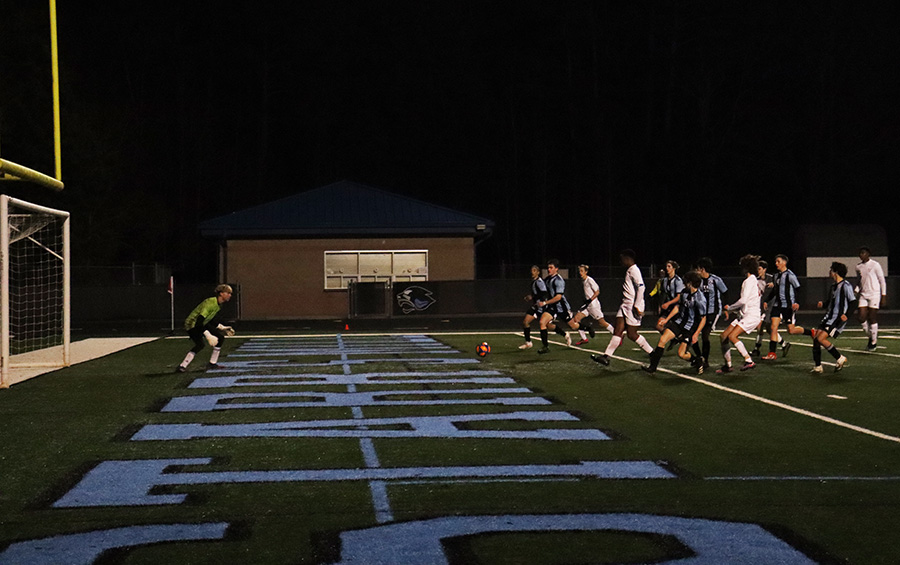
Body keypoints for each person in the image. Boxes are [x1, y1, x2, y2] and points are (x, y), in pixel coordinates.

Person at [591, 249, 654, 366]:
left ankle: (652, 353)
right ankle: (606, 356)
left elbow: (641, 287)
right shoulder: (630, 270)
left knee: (632, 334)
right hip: (625, 305)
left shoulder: (634, 270)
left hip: (632, 306)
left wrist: (637, 305)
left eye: (622, 259)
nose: (621, 262)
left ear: (627, 258)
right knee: (618, 330)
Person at [641, 270, 707, 373]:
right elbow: (677, 307)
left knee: (681, 354)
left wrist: (696, 333)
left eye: (686, 282)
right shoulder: (684, 293)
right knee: (662, 340)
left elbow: (703, 318)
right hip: (678, 322)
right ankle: (652, 367)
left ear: (690, 283)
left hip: (689, 328)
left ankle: (697, 360)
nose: (684, 284)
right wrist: (666, 320)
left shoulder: (700, 299)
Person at [715, 255, 761, 373]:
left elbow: (743, 300)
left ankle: (749, 361)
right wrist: (734, 310)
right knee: (724, 336)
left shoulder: (749, 281)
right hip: (744, 314)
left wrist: (730, 308)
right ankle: (728, 365)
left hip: (751, 316)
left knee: (732, 336)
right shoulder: (753, 280)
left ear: (746, 268)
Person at [176, 284, 235, 372]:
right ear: (221, 294)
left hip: (202, 323)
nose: (230, 295)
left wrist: (222, 328)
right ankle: (182, 366)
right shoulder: (210, 303)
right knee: (200, 344)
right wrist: (208, 335)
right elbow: (199, 321)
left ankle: (212, 363)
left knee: (220, 338)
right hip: (192, 324)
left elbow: (210, 319)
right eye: (228, 293)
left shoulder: (218, 304)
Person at [808, 262, 855, 373]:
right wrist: (823, 304)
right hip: (828, 317)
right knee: (816, 339)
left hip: (837, 319)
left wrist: (847, 315)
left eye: (831, 270)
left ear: (836, 272)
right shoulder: (833, 286)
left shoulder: (846, 285)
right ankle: (818, 366)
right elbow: (830, 302)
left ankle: (839, 357)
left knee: (821, 338)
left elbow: (853, 302)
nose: (829, 272)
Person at [765, 254, 805, 360]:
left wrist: (797, 302)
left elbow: (799, 289)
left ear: (784, 262)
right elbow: (774, 291)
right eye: (776, 261)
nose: (776, 263)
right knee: (773, 327)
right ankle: (772, 353)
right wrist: (766, 301)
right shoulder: (776, 276)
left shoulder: (790, 275)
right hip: (777, 305)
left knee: (791, 330)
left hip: (787, 306)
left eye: (778, 261)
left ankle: (811, 332)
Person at [696, 257, 728, 371]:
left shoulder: (715, 280)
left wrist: (725, 309)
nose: (696, 271)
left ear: (702, 269)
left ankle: (705, 360)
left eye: (698, 269)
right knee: (694, 335)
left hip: (712, 312)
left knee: (705, 335)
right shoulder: (697, 280)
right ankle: (699, 358)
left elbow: (725, 293)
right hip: (700, 313)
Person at [570, 264, 614, 345]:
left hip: (593, 305)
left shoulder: (590, 280)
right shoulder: (583, 281)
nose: (580, 273)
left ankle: (617, 335)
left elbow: (597, 292)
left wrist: (590, 299)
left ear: (586, 272)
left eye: (582, 271)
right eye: (579, 271)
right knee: (576, 319)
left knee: (602, 322)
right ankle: (584, 339)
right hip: (587, 305)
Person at [536, 259, 572, 354]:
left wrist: (544, 303)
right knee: (544, 323)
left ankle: (587, 329)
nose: (549, 269)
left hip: (560, 307)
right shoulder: (547, 279)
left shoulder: (559, 280)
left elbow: (558, 297)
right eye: (548, 267)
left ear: (556, 269)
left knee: (574, 325)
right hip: (552, 306)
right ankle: (548, 345)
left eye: (551, 268)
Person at [855, 246, 887, 351]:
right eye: (860, 253)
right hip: (864, 294)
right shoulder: (858, 267)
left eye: (863, 253)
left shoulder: (875, 265)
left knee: (872, 317)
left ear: (868, 254)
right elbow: (860, 281)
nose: (861, 255)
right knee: (861, 318)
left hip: (874, 294)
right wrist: (856, 290)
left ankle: (873, 342)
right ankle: (871, 336)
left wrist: (883, 295)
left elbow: (882, 280)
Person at [519, 265, 549, 350]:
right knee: (525, 322)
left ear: (538, 272)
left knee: (546, 325)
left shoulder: (539, 281)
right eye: (532, 270)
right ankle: (528, 342)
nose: (532, 272)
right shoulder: (534, 281)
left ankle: (564, 334)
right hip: (536, 306)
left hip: (540, 307)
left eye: (534, 270)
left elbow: (544, 293)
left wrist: (533, 297)